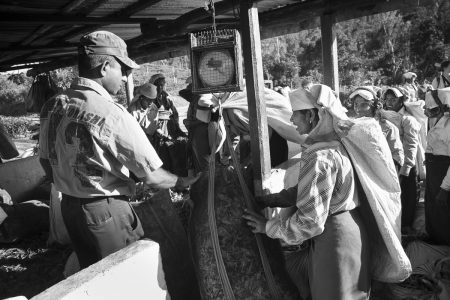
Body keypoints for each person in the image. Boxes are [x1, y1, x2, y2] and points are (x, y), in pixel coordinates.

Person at [39, 31, 198, 270]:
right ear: (104, 67)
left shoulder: (53, 104)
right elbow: (153, 176)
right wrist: (184, 181)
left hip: (69, 209)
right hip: (104, 213)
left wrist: (70, 185)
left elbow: (44, 162)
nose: (125, 78)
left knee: (94, 273)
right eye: (122, 70)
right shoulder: (110, 112)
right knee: (125, 276)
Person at [243, 85, 371, 299]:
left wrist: (268, 227)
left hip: (334, 240)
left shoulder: (319, 158)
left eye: (294, 114)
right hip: (349, 230)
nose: (291, 120)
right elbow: (310, 190)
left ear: (311, 115)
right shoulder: (336, 145)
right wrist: (269, 200)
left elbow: (310, 222)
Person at [383, 87, 421, 233]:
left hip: (406, 165)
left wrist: (406, 169)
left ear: (401, 101)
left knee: (407, 195)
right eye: (388, 99)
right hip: (391, 162)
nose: (390, 102)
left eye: (394, 99)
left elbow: (411, 145)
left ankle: (406, 226)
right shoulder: (384, 116)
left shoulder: (407, 119)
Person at [350, 87, 404, 169]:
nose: (358, 109)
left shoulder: (387, 127)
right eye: (356, 104)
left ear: (375, 105)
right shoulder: (352, 126)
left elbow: (397, 155)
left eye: (364, 104)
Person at [424, 88, 450, 246]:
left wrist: (445, 187)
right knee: (432, 204)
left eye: (432, 110)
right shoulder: (435, 121)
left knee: (443, 204)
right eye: (427, 110)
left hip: (445, 173)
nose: (428, 113)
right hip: (434, 169)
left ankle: (445, 242)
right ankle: (434, 236)